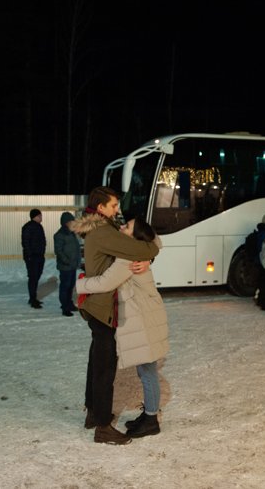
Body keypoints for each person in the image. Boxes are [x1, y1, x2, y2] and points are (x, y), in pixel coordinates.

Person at [69, 186, 160, 446]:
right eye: (113, 205)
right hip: (102, 307)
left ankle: (93, 414)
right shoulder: (104, 231)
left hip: (97, 307)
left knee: (96, 363)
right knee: (104, 369)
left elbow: (137, 244)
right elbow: (142, 249)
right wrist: (152, 250)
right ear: (101, 208)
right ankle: (102, 427)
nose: (117, 209)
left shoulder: (99, 227)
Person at [54, 211, 81, 317]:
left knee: (70, 286)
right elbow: (58, 251)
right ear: (66, 222)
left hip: (72, 265)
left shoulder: (72, 233)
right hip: (65, 266)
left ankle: (69, 304)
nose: (73, 223)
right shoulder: (60, 235)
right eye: (71, 221)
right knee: (65, 287)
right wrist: (67, 261)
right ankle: (65, 307)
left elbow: (76, 249)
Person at [21, 208, 46, 309]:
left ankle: (33, 297)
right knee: (33, 277)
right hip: (32, 257)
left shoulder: (39, 226)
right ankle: (32, 299)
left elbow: (42, 241)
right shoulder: (28, 227)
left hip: (39, 256)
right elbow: (25, 242)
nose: (41, 217)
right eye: (39, 216)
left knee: (36, 277)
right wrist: (30, 255)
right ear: (35, 216)